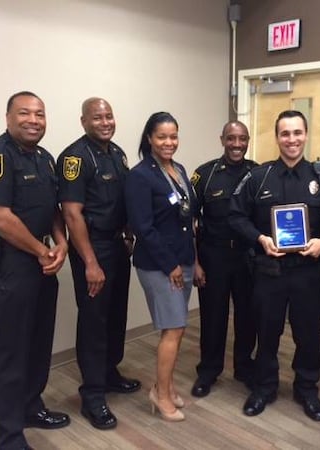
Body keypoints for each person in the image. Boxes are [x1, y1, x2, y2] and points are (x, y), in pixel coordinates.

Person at [0, 91, 70, 450]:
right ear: (8, 117)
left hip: (43, 261)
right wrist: (43, 250)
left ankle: (31, 407)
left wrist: (62, 244)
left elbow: (55, 210)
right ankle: (9, 436)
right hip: (11, 263)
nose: (34, 120)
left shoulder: (44, 158)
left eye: (40, 114)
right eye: (25, 113)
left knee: (39, 342)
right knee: (12, 349)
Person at [229, 110, 320, 421]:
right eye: (285, 133)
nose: (291, 139)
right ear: (277, 137)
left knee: (308, 335)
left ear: (306, 135)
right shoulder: (257, 177)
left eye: (297, 133)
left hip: (308, 273)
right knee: (267, 333)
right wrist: (260, 239)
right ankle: (264, 387)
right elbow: (235, 217)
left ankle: (307, 389)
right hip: (269, 273)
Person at [57, 98, 141, 430]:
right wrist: (90, 262)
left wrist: (130, 233)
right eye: (97, 117)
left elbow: (124, 201)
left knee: (115, 315)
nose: (105, 122)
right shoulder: (74, 158)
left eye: (109, 116)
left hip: (118, 244)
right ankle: (92, 396)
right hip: (92, 247)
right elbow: (71, 213)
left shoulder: (117, 153)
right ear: (83, 121)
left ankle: (109, 373)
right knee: (94, 322)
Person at [124, 112, 197, 422]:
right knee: (174, 328)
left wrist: (192, 260)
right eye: (162, 137)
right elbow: (143, 227)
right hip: (158, 264)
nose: (169, 142)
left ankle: (164, 385)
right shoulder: (140, 176)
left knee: (176, 329)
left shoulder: (178, 169)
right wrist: (171, 265)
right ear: (149, 139)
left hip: (183, 259)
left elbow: (187, 220)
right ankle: (161, 395)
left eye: (173, 136)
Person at [189, 120, 258, 397]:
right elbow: (189, 221)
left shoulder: (259, 173)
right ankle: (208, 370)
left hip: (248, 257)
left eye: (242, 138)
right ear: (222, 140)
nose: (237, 144)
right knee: (213, 316)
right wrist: (194, 262)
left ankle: (244, 367)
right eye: (231, 138)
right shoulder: (203, 175)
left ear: (248, 140)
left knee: (248, 316)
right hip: (214, 255)